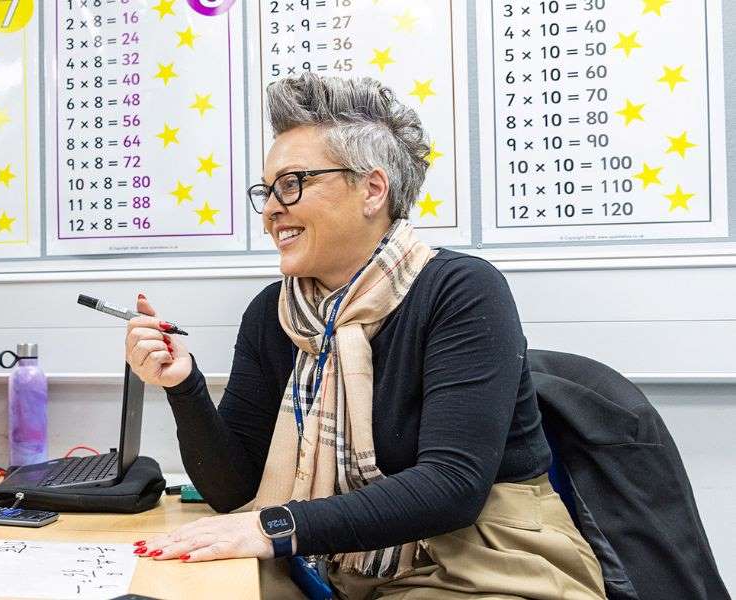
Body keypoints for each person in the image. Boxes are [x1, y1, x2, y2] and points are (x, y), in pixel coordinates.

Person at [124, 73, 605, 599]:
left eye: (292, 184)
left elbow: (452, 487)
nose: (270, 210)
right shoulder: (273, 314)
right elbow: (233, 490)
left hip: (488, 558)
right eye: (267, 191)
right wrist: (183, 385)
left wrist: (272, 527)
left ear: (372, 189)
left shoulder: (462, 290)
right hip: (338, 567)